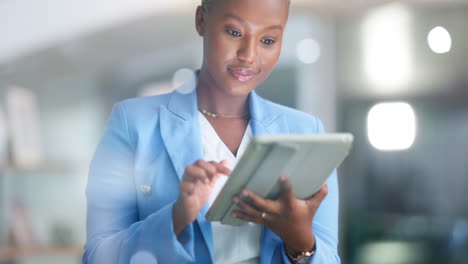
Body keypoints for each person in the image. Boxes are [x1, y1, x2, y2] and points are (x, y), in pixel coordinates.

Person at [83, 0, 341, 263]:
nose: (249, 55)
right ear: (201, 21)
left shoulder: (306, 131)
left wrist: (300, 241)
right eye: (234, 32)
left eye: (268, 40)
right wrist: (175, 217)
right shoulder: (133, 123)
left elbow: (329, 256)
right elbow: (97, 256)